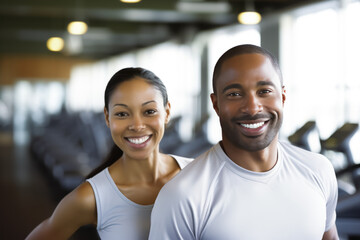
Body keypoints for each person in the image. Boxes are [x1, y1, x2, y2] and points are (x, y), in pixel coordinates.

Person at [149, 44, 339, 240]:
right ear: (216, 104)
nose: (252, 108)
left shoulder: (318, 170)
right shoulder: (182, 195)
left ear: (282, 97)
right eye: (234, 94)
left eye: (264, 91)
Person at [26, 67, 192, 240]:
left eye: (149, 111)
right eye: (122, 114)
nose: (137, 125)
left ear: (166, 112)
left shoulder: (198, 174)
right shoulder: (89, 197)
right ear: (107, 118)